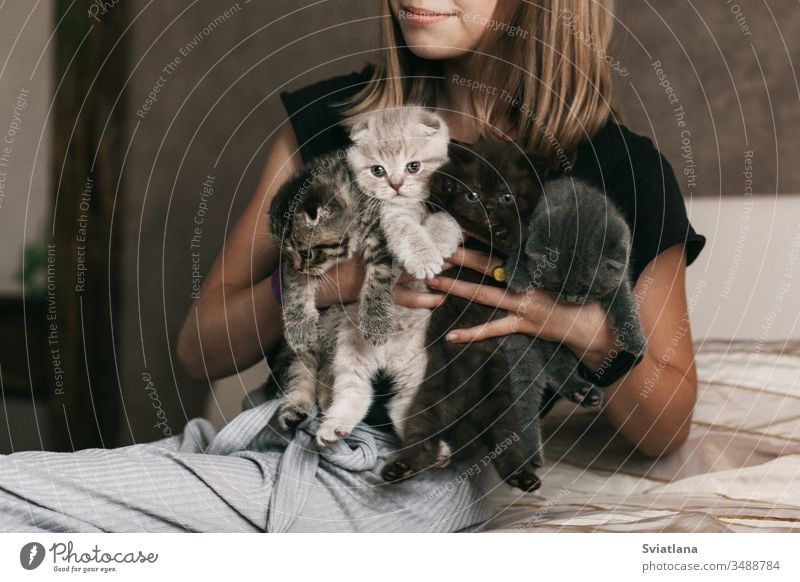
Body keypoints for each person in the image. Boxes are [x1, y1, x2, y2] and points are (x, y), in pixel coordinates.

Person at [0, 0, 705, 533]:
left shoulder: (623, 174)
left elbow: (666, 427)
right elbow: (197, 348)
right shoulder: (334, 125)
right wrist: (331, 282)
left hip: (403, 479)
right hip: (268, 438)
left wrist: (580, 330)